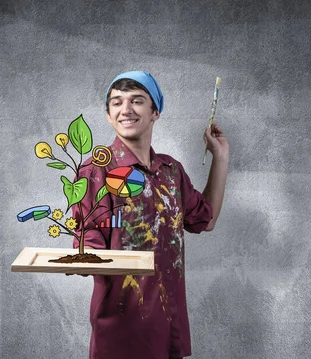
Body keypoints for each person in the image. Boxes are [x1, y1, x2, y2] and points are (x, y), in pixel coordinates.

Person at [72, 71, 229, 359]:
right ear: (108, 115)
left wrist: (220, 157)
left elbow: (205, 220)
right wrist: (80, 257)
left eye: (137, 101)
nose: (126, 109)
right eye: (116, 102)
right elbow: (87, 248)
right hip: (122, 335)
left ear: (155, 111)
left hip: (169, 329)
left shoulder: (171, 172)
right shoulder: (96, 171)